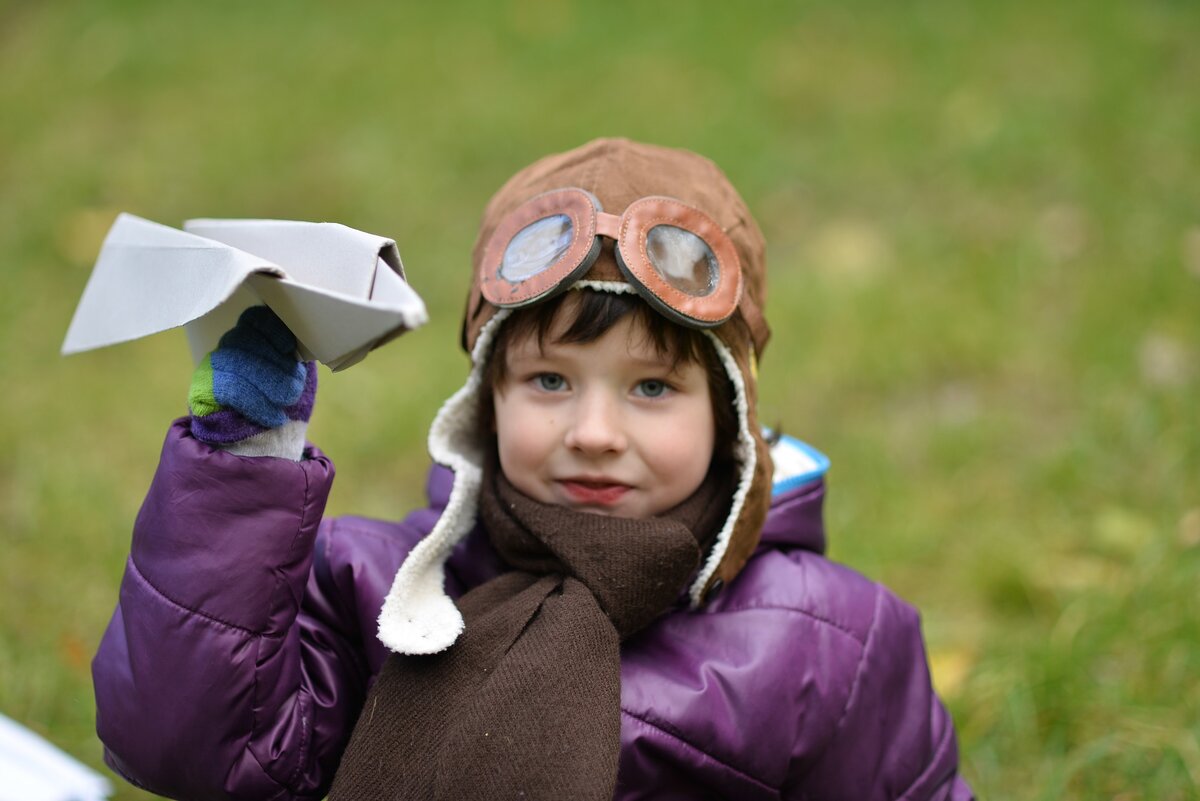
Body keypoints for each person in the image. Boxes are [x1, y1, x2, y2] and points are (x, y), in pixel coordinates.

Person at [92, 138, 974, 800]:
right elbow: (188, 743)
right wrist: (244, 456)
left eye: (653, 387)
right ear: (487, 399)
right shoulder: (383, 594)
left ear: (730, 415)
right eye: (550, 379)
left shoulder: (829, 641)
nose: (593, 431)